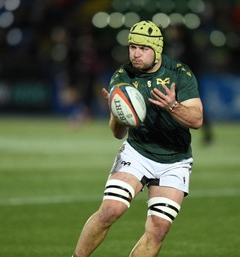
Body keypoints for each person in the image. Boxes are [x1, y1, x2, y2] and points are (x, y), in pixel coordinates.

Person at [72, 20, 203, 257]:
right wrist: (117, 110)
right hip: (138, 152)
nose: (136, 54)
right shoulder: (123, 77)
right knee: (111, 209)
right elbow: (117, 133)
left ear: (157, 49)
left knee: (159, 228)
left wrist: (173, 106)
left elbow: (197, 120)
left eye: (143, 48)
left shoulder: (179, 74)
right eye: (132, 47)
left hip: (175, 160)